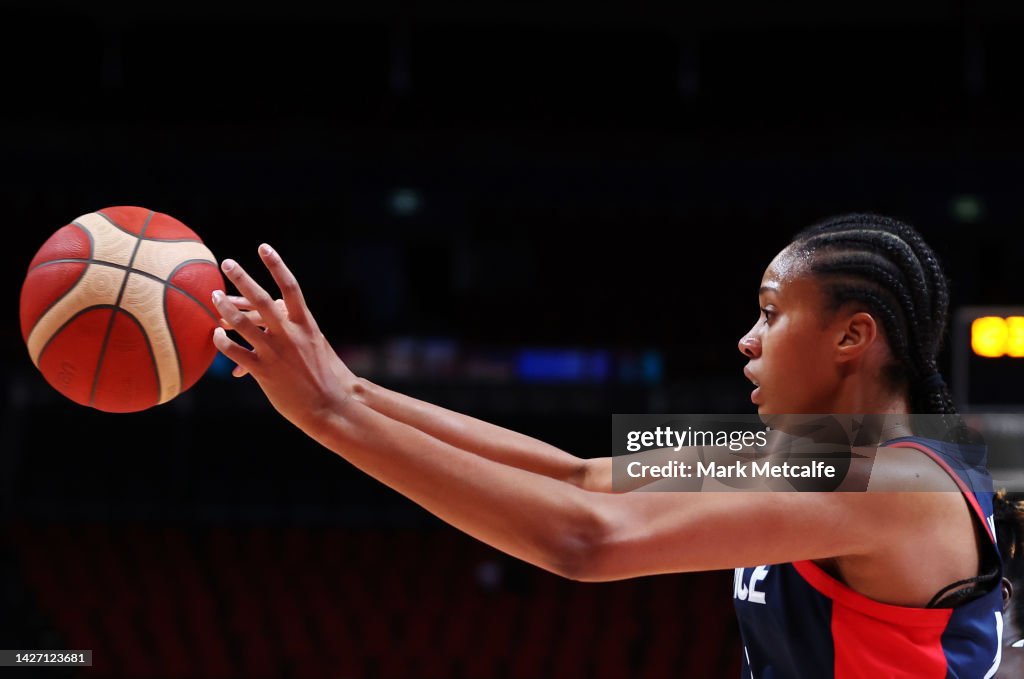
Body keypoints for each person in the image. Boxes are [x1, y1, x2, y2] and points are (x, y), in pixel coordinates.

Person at [211, 213, 1016, 677]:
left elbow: (587, 538)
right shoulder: (807, 455)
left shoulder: (892, 483)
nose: (747, 339)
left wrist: (328, 419)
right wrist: (352, 390)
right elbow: (583, 476)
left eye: (771, 314)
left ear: (852, 335)